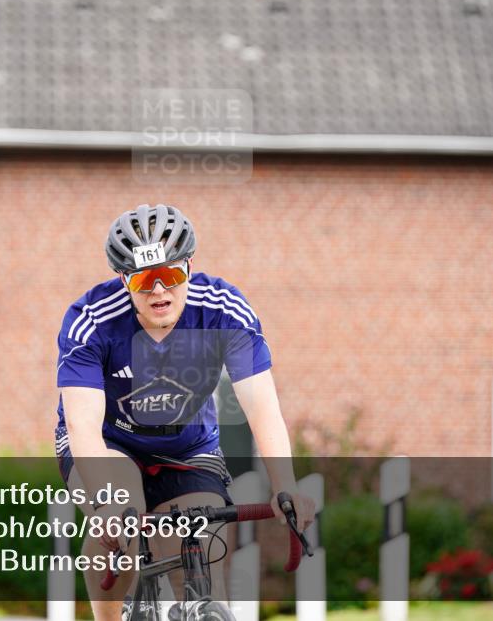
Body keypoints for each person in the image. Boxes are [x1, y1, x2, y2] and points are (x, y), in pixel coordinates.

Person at [55, 203, 314, 621]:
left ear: (189, 267)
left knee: (201, 546)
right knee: (121, 524)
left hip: (188, 446)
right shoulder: (91, 320)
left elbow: (262, 407)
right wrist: (105, 504)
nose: (159, 291)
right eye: (144, 279)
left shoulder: (223, 309)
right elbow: (82, 423)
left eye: (171, 275)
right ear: (123, 279)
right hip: (109, 442)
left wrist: (285, 485)